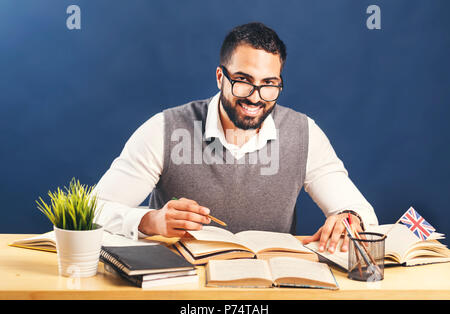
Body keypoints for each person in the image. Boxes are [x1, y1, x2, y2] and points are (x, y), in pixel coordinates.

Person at [94, 22, 378, 254]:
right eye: (243, 81)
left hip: (271, 287)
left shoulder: (304, 133)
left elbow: (361, 211)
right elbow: (94, 210)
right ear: (220, 77)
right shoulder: (164, 129)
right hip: (180, 287)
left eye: (269, 84)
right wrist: (151, 220)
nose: (255, 97)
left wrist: (349, 219)